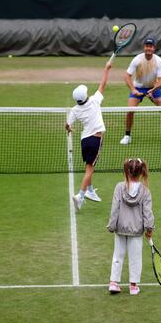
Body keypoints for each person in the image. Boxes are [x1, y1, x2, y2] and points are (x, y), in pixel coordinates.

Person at [65, 59, 112, 210]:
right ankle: (80, 195)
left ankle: (90, 191)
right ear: (85, 96)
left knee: (88, 166)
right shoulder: (94, 101)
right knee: (90, 169)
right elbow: (102, 85)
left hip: (84, 140)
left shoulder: (74, 110)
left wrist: (69, 129)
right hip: (95, 140)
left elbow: (68, 125)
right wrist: (107, 69)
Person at [106, 158, 155, 296]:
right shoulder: (145, 191)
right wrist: (149, 229)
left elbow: (114, 209)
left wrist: (111, 226)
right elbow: (148, 213)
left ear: (127, 171)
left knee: (118, 255)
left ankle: (114, 283)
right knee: (135, 257)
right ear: (141, 173)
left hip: (120, 228)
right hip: (136, 230)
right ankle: (133, 286)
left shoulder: (119, 187)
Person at [119, 37, 161, 145]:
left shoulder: (158, 60)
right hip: (138, 87)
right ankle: (127, 135)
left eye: (150, 46)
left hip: (153, 87)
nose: (148, 48)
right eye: (147, 46)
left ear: (154, 48)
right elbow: (127, 76)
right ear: (144, 47)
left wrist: (153, 89)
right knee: (130, 110)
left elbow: (160, 80)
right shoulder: (137, 59)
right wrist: (133, 90)